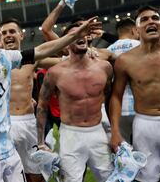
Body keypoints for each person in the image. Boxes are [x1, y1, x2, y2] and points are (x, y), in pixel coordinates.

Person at [0, 11, 101, 182]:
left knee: (35, 175)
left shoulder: (6, 57)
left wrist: (76, 35)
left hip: (8, 148)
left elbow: (42, 49)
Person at [37, 22, 114, 182]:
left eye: (83, 33)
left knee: (110, 179)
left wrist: (115, 132)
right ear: (66, 41)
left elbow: (109, 99)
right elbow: (42, 106)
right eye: (76, 34)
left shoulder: (104, 67)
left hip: (98, 132)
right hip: (70, 135)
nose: (81, 36)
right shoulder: (55, 72)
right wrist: (40, 142)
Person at [109, 6, 160, 181]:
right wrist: (115, 131)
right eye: (144, 19)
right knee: (146, 177)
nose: (151, 21)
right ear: (136, 30)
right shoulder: (125, 60)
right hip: (145, 123)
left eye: (155, 18)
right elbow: (116, 96)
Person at [1, 18, 60, 182]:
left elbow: (66, 61)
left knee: (36, 174)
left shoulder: (32, 59)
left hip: (29, 122)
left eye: (12, 31)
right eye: (4, 33)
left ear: (21, 35)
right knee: (9, 174)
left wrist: (89, 51)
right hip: (5, 123)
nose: (8, 35)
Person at [107, 18, 139, 143]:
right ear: (133, 30)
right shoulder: (140, 46)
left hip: (118, 107)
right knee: (144, 148)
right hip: (141, 106)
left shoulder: (109, 50)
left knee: (125, 148)